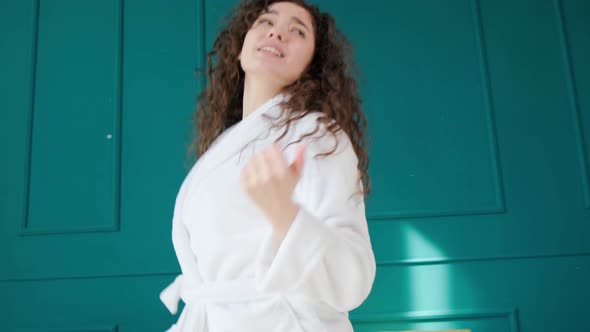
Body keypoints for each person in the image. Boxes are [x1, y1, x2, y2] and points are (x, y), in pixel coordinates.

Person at [159, 0, 376, 331]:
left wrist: (287, 218)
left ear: (312, 65)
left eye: (297, 31)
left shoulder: (316, 135)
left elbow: (354, 279)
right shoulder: (223, 147)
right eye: (266, 22)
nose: (277, 32)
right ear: (241, 47)